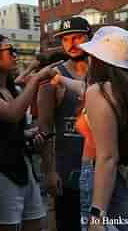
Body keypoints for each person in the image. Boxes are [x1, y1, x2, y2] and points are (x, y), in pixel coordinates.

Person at [50, 26, 128, 230]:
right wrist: (60, 78)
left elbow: (108, 157)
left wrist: (98, 214)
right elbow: (85, 90)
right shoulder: (125, 89)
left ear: (98, 58)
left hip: (104, 183)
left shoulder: (99, 93)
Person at [0, 32, 49, 231]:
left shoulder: (10, 89)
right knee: (4, 226)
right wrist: (36, 79)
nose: (15, 55)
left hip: (22, 166)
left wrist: (29, 136)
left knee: (37, 222)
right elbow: (12, 113)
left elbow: (11, 128)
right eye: (10, 51)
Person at [37, 16, 91, 231]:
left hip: (103, 169)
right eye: (66, 39)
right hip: (68, 173)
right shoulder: (54, 77)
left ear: (89, 37)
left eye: (77, 37)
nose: (72, 44)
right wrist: (49, 171)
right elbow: (44, 127)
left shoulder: (103, 71)